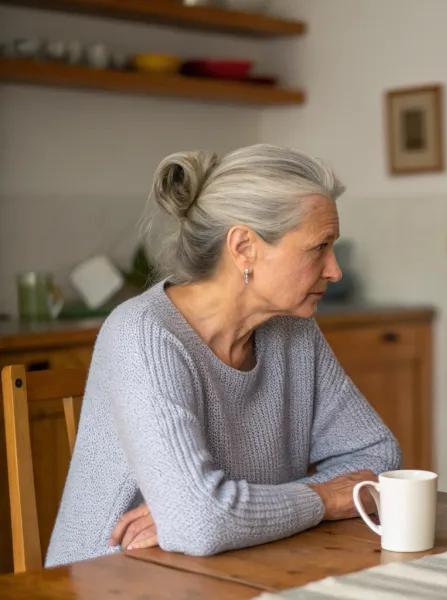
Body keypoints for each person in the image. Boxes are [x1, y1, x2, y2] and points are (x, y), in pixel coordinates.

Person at [46, 144, 401, 567]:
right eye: (318, 247)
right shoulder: (144, 334)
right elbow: (200, 520)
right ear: (243, 247)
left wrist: (223, 512)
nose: (334, 270)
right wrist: (321, 498)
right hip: (117, 576)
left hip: (236, 562)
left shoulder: (294, 329)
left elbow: (379, 457)